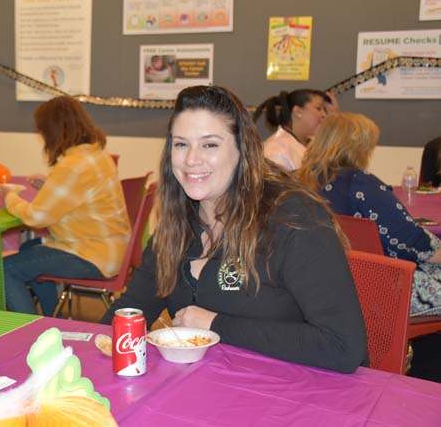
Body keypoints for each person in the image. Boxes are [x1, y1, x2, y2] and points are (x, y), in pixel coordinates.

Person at [101, 85, 367, 373]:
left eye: (210, 144)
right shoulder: (178, 223)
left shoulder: (295, 219)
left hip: (295, 397)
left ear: (243, 149)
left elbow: (344, 347)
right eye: (180, 144)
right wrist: (79, 344)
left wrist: (215, 325)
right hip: (210, 390)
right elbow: (132, 309)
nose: (191, 159)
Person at [297, 112, 441, 316]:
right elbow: (411, 242)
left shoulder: (302, 181)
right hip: (384, 290)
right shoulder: (360, 184)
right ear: (358, 147)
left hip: (329, 286)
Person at [0, 96, 131, 317]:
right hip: (111, 250)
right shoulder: (97, 155)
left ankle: (29, 332)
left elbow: (36, 217)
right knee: (28, 249)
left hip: (91, 255)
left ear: (52, 131)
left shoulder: (72, 166)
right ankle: (55, 320)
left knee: (4, 270)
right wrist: (50, 185)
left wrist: (9, 197)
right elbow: (78, 196)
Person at [253, 89, 330, 171]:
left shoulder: (313, 146)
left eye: (324, 110)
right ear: (298, 111)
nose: (324, 115)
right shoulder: (277, 151)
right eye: (318, 108)